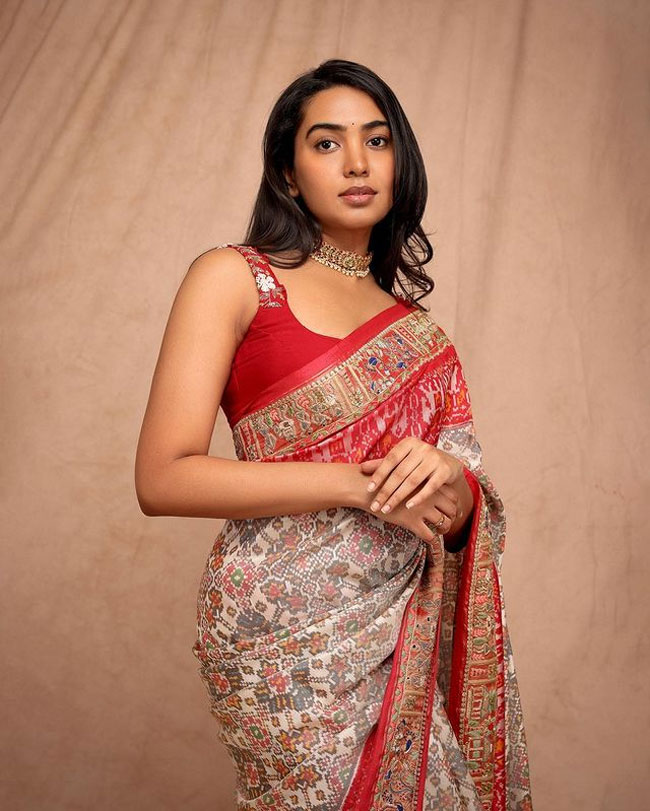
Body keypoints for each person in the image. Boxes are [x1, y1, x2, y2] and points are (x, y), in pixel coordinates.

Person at [135, 58, 533, 810]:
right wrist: (356, 483)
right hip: (279, 639)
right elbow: (162, 477)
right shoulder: (235, 278)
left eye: (376, 141)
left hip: (398, 635)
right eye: (326, 143)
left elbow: (457, 522)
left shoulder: (424, 341)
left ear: (398, 160)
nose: (357, 163)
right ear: (288, 173)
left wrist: (452, 483)